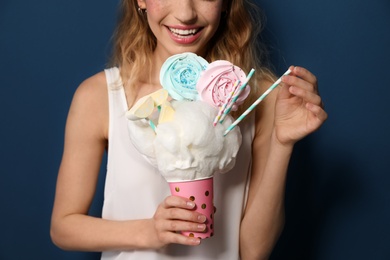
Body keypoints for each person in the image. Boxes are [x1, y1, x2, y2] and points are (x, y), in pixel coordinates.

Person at [50, 0, 327, 259]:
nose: (186, 14)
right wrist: (149, 232)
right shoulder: (100, 95)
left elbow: (253, 251)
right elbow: (64, 227)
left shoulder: (257, 99)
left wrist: (282, 143)